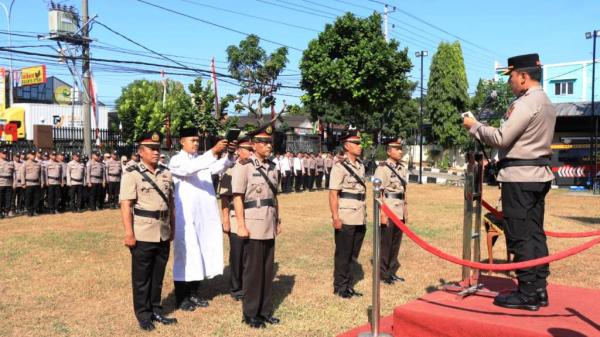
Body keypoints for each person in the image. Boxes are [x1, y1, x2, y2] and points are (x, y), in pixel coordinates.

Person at [463, 53, 556, 311]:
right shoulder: (546, 101)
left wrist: (474, 125)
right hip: (538, 175)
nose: (510, 82)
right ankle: (538, 288)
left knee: (520, 235)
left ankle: (526, 292)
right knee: (535, 233)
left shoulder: (526, 103)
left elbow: (503, 137)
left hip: (520, 177)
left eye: (512, 76)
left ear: (524, 77)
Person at [168, 127, 233, 311]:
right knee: (186, 256)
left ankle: (194, 293)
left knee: (201, 253)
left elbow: (216, 167)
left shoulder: (201, 159)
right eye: (192, 140)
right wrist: (213, 151)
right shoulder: (176, 160)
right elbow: (189, 170)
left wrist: (229, 155)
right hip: (186, 218)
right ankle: (181, 297)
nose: (196, 143)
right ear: (182, 141)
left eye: (197, 141)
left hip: (203, 217)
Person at [120, 131, 177, 331]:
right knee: (142, 277)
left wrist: (173, 228)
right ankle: (143, 314)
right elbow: (126, 205)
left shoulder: (166, 173)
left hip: (162, 230)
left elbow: (171, 203)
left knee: (158, 275)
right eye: (151, 149)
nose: (155, 152)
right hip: (143, 231)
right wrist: (129, 233)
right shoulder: (132, 174)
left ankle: (156, 309)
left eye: (157, 149)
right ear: (141, 151)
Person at [232, 130, 281, 329]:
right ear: (253, 145)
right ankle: (251, 313)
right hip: (252, 224)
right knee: (253, 271)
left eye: (270, 142)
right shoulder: (243, 167)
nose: (269, 146)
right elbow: (237, 197)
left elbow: (274, 197)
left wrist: (279, 219)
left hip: (269, 222)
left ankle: (265, 310)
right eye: (264, 142)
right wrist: (241, 225)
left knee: (267, 270)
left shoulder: (272, 167)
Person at [328, 130, 366, 299]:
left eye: (359, 143)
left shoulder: (361, 166)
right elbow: (333, 194)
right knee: (343, 253)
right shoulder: (339, 167)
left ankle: (349, 285)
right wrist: (335, 217)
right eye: (356, 143)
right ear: (347, 146)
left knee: (353, 254)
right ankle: (340, 286)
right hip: (346, 215)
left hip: (360, 215)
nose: (360, 146)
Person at [220, 138, 254, 301]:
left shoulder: (254, 168)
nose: (251, 152)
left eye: (252, 149)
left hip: (253, 216)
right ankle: (236, 287)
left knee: (251, 253)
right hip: (235, 217)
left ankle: (248, 283)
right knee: (238, 253)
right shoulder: (231, 169)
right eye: (247, 149)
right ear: (239, 151)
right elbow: (225, 197)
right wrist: (225, 219)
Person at [374, 138, 408, 285]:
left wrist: (406, 210)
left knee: (396, 243)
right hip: (388, 208)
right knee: (386, 243)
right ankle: (383, 273)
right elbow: (378, 193)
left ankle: (391, 272)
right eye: (397, 148)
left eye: (401, 148)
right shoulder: (382, 168)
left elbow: (404, 191)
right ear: (389, 151)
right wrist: (382, 213)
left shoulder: (402, 168)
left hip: (399, 208)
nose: (400, 151)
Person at [20, 150, 44, 216]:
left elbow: (41, 174)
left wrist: (42, 182)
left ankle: (34, 210)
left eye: (34, 154)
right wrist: (23, 183)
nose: (33, 156)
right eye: (31, 154)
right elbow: (22, 174)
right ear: (28, 155)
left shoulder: (38, 163)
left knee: (36, 198)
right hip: (28, 184)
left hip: (36, 183)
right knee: (28, 198)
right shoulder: (25, 163)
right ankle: (29, 211)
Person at [0, 149, 16, 219]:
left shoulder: (11, 163)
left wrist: (14, 182)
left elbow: (14, 174)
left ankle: (7, 212)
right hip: (1, 183)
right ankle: (0, 213)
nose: (5, 154)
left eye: (6, 153)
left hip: (9, 183)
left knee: (8, 199)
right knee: (0, 199)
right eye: (3, 153)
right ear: (0, 154)